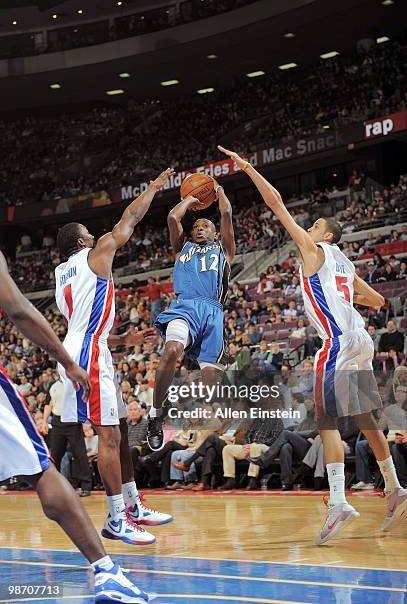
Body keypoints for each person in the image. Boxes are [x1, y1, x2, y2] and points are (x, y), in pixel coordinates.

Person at [219, 144, 407, 545]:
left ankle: (338, 501)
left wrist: (249, 167)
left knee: (325, 419)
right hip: (361, 339)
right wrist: (346, 297)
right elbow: (376, 301)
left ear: (326, 235)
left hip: (338, 342)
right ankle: (393, 486)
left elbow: (276, 203)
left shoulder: (314, 250)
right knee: (366, 418)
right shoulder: (346, 262)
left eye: (317, 224)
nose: (310, 227)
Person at [0, 252, 151, 602]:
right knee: (43, 472)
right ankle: (107, 571)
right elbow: (18, 309)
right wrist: (67, 361)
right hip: (79, 358)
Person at [54, 168, 174, 547]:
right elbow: (130, 220)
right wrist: (154, 187)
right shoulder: (95, 253)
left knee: (118, 428)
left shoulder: (62, 273)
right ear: (81, 240)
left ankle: (133, 504)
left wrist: (120, 339)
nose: (96, 235)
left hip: (88, 344)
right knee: (108, 435)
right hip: (87, 350)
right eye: (89, 233)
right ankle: (116, 517)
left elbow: (85, 320)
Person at [147, 182, 236, 450]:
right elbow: (173, 217)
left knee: (212, 390)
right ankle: (156, 414)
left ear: (216, 234)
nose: (199, 228)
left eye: (205, 226)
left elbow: (227, 215)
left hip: (213, 313)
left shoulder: (224, 251)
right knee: (172, 350)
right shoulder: (181, 250)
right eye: (196, 226)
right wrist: (190, 199)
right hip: (184, 307)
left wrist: (220, 194)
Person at [41, 374, 93, 496]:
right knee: (55, 456)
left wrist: (85, 420)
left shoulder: (76, 384)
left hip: (73, 421)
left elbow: (84, 402)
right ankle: (54, 485)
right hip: (57, 422)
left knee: (80, 455)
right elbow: (48, 404)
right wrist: (44, 421)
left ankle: (86, 486)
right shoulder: (52, 385)